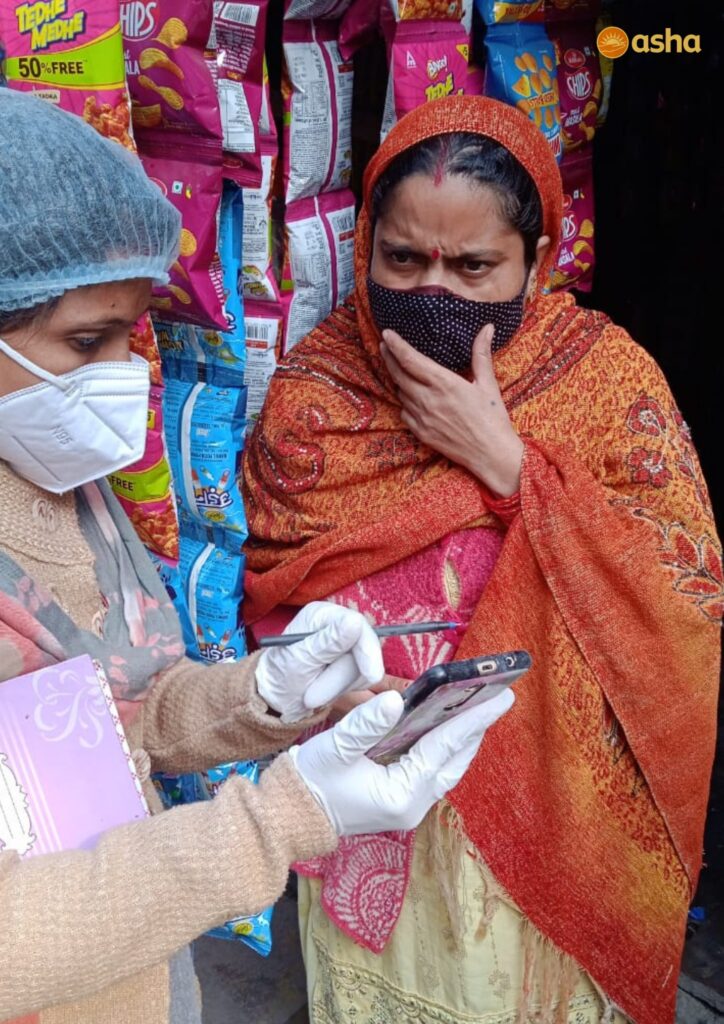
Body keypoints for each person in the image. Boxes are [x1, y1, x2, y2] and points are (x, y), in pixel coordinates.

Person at [0, 89, 514, 1024]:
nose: (123, 377)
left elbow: (124, 718)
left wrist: (267, 696)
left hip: (140, 984)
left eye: (130, 336)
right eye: (86, 342)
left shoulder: (56, 476)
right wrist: (282, 819)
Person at [242, 95, 722, 1024]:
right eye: (403, 259)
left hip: (556, 804)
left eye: (473, 267)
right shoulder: (317, 390)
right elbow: (273, 588)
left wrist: (507, 465)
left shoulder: (605, 381)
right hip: (369, 791)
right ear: (364, 247)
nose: (435, 292)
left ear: (537, 261)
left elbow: (685, 598)